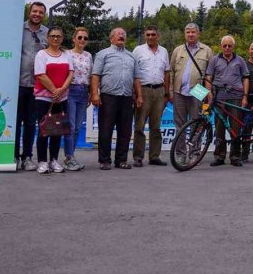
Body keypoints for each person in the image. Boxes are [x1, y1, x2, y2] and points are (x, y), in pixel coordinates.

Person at [91, 28, 142, 170]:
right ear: (111, 38)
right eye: (118, 35)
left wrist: (139, 95)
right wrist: (95, 94)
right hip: (108, 97)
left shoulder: (132, 56)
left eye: (123, 35)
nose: (121, 36)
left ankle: (121, 160)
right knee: (106, 130)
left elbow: (137, 78)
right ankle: (104, 160)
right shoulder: (103, 54)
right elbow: (95, 75)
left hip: (126, 97)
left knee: (125, 131)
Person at [169, 23, 214, 165]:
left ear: (198, 34)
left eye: (193, 32)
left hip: (198, 91)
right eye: (187, 32)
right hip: (179, 91)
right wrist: (170, 91)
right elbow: (171, 72)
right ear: (185, 34)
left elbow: (210, 74)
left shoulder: (206, 51)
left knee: (197, 124)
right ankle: (180, 154)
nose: (190, 35)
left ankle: (194, 153)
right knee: (179, 125)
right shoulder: (178, 50)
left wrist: (208, 92)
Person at [204, 35, 250, 167]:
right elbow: (209, 76)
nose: (227, 48)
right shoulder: (214, 60)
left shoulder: (240, 60)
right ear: (221, 46)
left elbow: (246, 78)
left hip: (236, 98)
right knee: (219, 129)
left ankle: (235, 157)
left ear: (233, 46)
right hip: (219, 98)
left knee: (235, 129)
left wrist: (245, 96)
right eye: (225, 45)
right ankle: (219, 156)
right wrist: (209, 93)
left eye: (230, 45)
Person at [33, 27, 73, 175]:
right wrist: (54, 90)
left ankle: (54, 160)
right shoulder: (41, 54)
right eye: (53, 36)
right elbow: (40, 75)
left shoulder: (67, 54)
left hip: (61, 98)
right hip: (44, 98)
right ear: (48, 38)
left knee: (57, 130)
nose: (55, 38)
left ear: (62, 38)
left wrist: (61, 90)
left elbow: (71, 73)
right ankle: (42, 161)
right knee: (44, 130)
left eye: (58, 36)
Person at [132, 25, 171, 167]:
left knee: (156, 126)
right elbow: (133, 72)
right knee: (140, 125)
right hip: (143, 90)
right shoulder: (138, 50)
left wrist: (167, 93)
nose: (150, 37)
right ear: (144, 36)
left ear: (158, 36)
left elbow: (167, 73)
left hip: (159, 91)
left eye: (153, 34)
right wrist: (136, 94)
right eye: (147, 34)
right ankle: (138, 157)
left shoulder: (164, 51)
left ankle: (154, 156)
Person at [16, 1, 48, 171]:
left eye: (40, 12)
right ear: (30, 12)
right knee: (16, 121)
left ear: (44, 15)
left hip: (37, 86)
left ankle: (27, 157)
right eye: (34, 11)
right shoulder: (18, 29)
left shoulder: (47, 33)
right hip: (18, 83)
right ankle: (13, 155)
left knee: (30, 123)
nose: (37, 14)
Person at [63, 27, 92, 171]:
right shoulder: (67, 54)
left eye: (85, 38)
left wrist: (91, 93)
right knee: (71, 127)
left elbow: (91, 75)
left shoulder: (88, 55)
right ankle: (69, 157)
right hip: (70, 91)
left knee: (78, 128)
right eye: (80, 37)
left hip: (83, 91)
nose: (82, 40)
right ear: (74, 39)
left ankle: (71, 156)